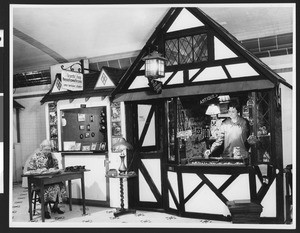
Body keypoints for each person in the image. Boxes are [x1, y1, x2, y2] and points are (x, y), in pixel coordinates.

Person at [26, 139, 67, 219]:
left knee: (60, 185)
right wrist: (40, 170)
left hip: (50, 178)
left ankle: (55, 207)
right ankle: (45, 210)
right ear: (41, 148)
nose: (48, 151)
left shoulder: (52, 156)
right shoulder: (35, 156)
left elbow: (56, 166)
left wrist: (54, 169)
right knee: (46, 189)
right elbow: (30, 170)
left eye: (49, 150)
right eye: (46, 149)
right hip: (39, 181)